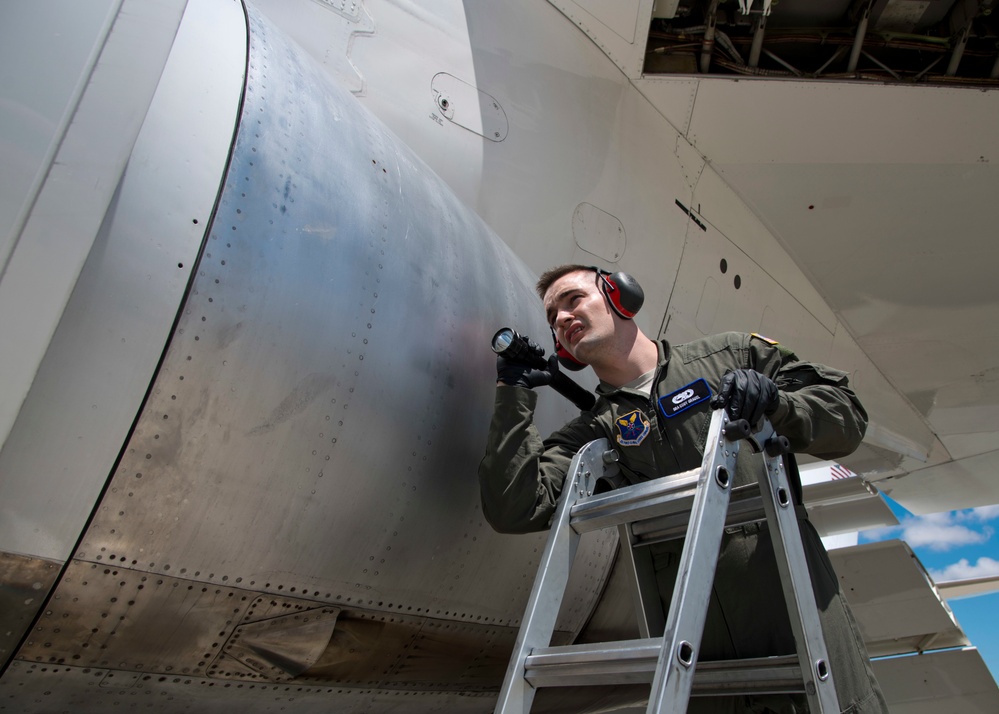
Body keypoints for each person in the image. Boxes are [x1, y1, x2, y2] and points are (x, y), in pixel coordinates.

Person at [479, 265, 888, 713]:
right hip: (701, 668)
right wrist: (512, 391)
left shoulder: (731, 356)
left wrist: (776, 402)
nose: (560, 317)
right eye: (552, 314)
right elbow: (515, 506)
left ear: (620, 295)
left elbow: (847, 414)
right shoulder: (594, 431)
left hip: (807, 636)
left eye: (573, 299)